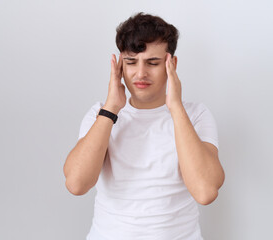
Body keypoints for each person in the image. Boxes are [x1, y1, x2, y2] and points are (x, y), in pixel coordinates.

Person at [63, 12, 225, 240]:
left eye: (153, 63)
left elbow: (205, 191)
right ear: (120, 65)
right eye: (131, 62)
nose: (140, 73)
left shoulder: (196, 115)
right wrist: (111, 109)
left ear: (172, 64)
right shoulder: (99, 114)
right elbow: (76, 184)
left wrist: (176, 108)